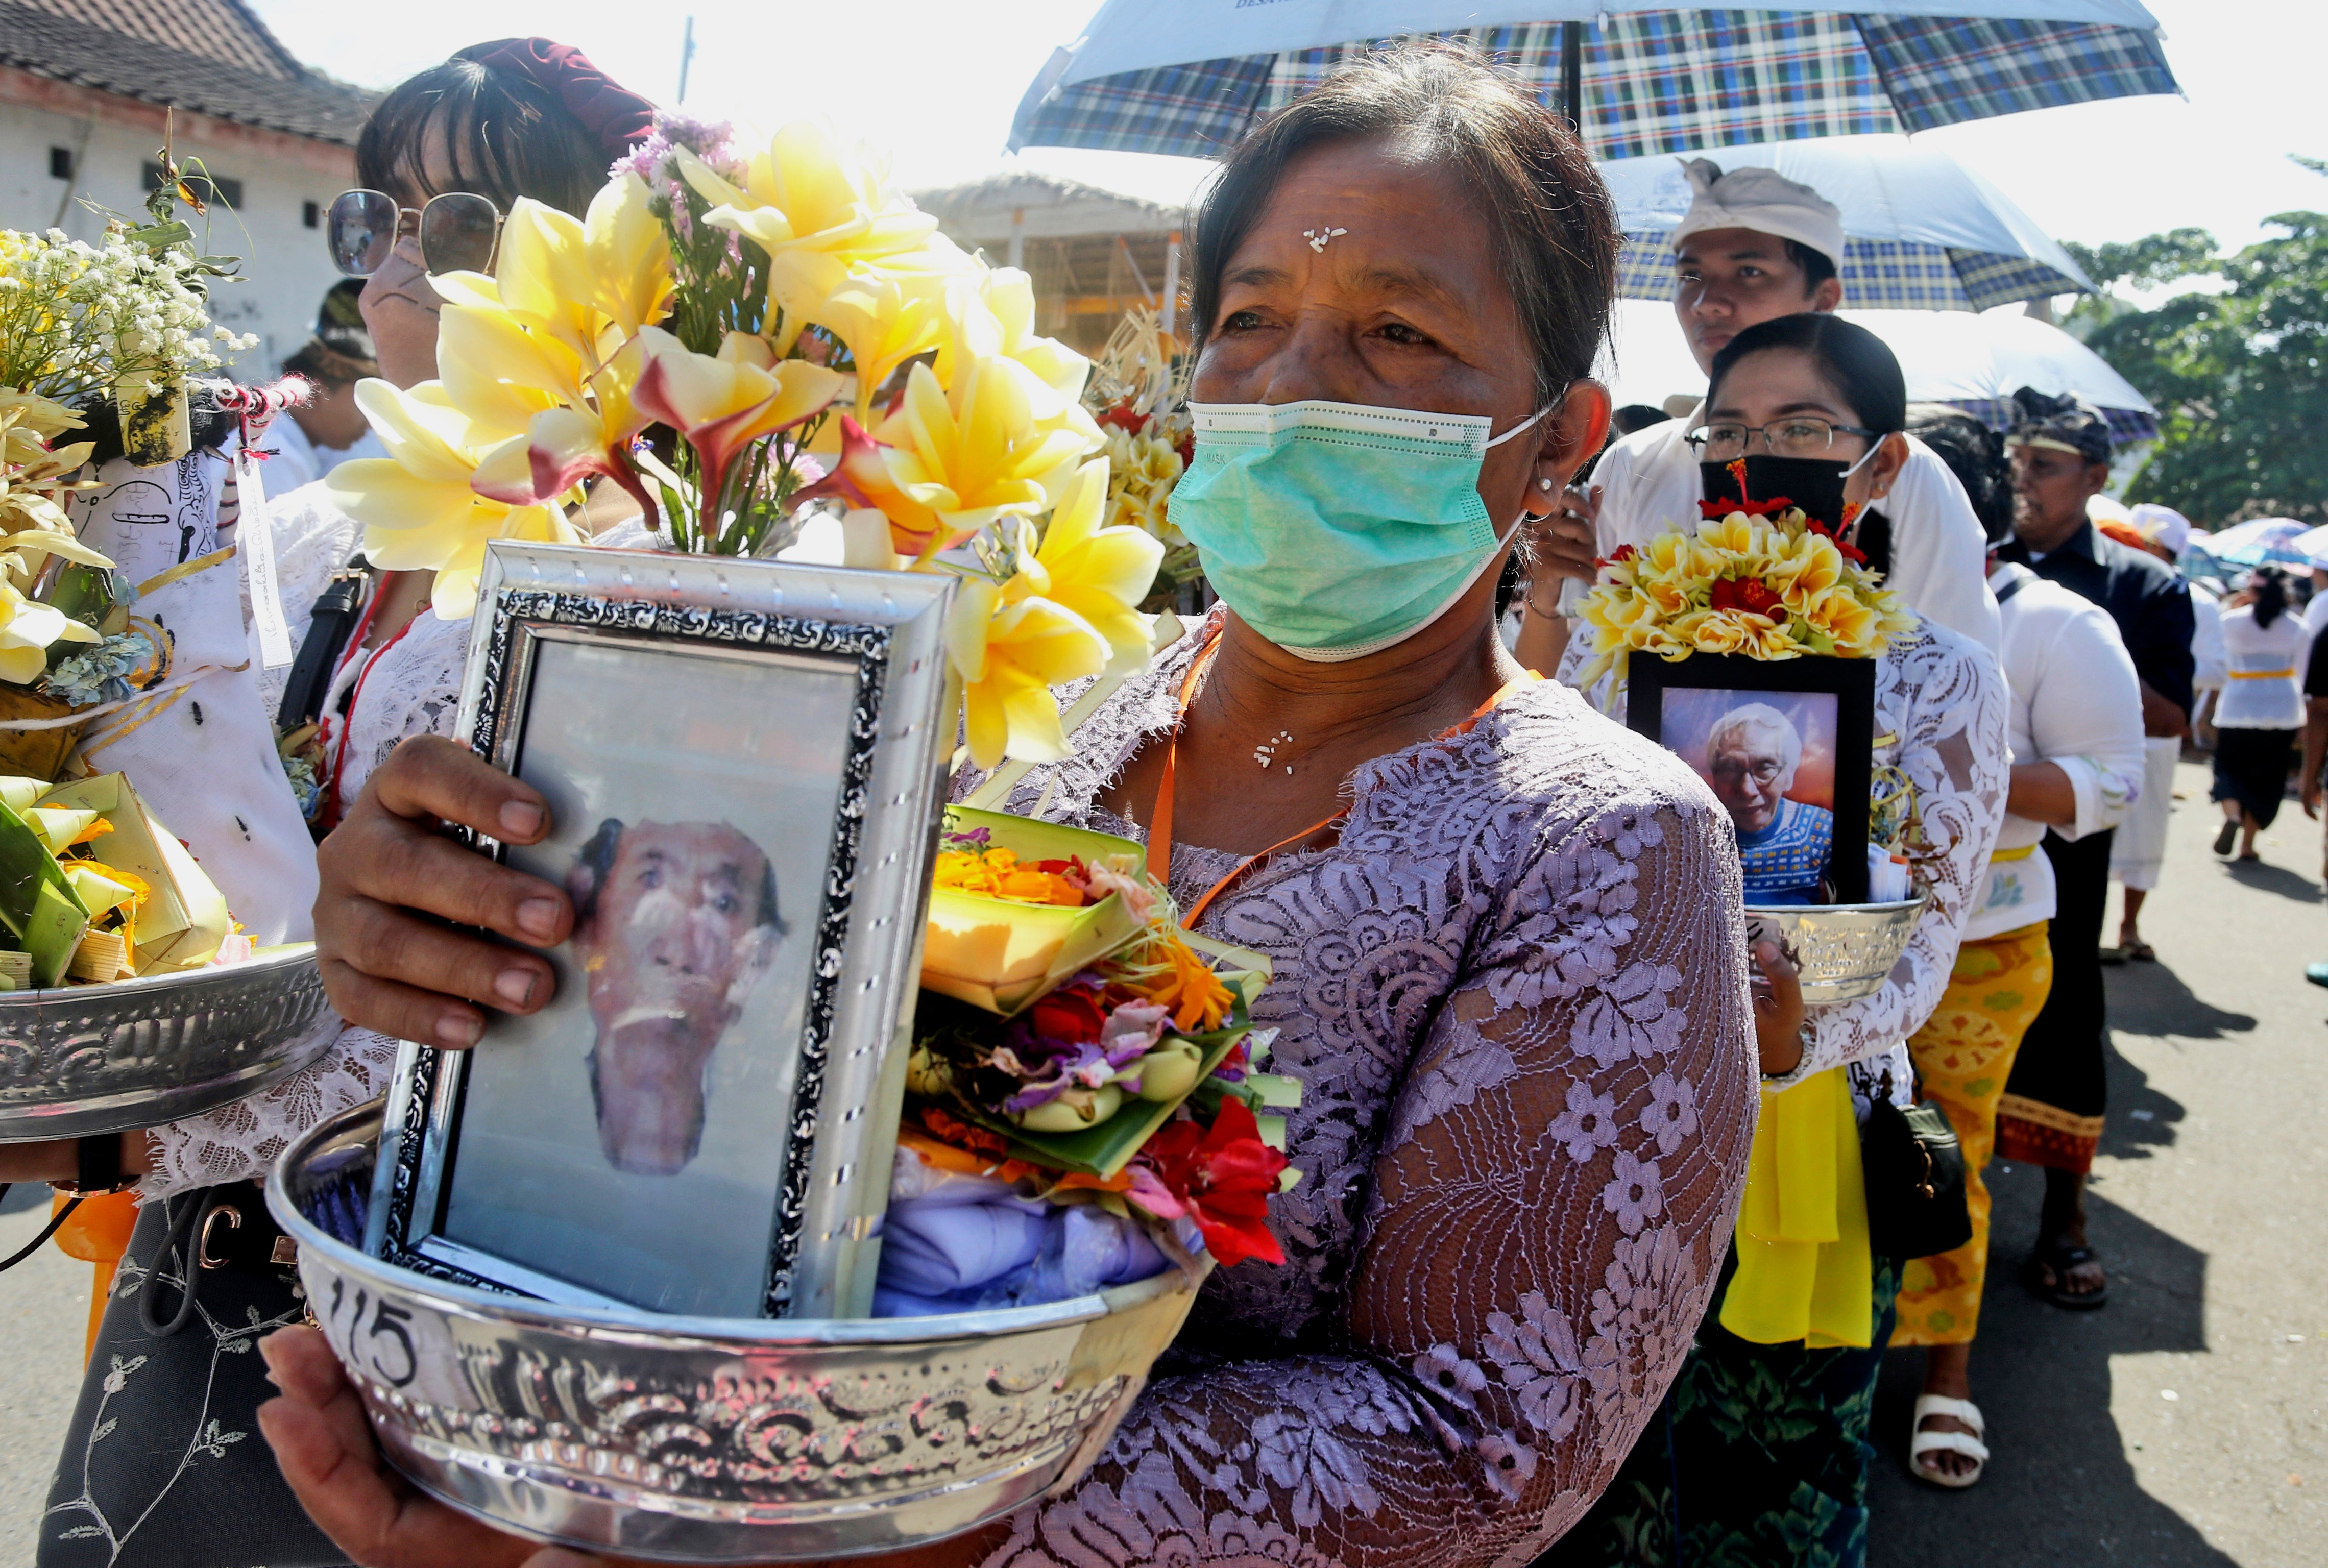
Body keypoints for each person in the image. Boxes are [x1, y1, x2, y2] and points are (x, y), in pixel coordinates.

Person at [256, 44, 1769, 1568]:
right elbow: (739, 1110)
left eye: (1396, 332)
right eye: (1248, 319)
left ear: (1560, 436)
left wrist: (810, 1524)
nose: (1292, 382)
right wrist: (466, 934)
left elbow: (1474, 1450)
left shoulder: (1603, 845)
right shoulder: (1008, 706)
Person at [13, 39, 659, 1568]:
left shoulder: (619, 587)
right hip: (200, 1272)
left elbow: (479, 1013)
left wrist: (102, 1134)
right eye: (373, 216)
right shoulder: (313, 541)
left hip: (433, 1313)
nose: (387, 270)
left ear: (608, 277)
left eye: (456, 225)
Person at [1547, 315, 2007, 1563]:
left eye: (1802, 430)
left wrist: (1796, 1033)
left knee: (1780, 1489)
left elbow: (1923, 945)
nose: (1761, 457)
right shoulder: (1619, 637)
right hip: (1615, 1113)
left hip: (1810, 1112)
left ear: (1880, 465)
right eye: (1731, 432)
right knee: (1597, 1478)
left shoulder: (1943, 677)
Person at [1886, 410, 2146, 1487]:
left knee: (1942, 1150)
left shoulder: (2054, 625)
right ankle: (1828, 1344)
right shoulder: (1833, 603)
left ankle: (1946, 1373)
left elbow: (2107, 784)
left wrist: (1959, 766)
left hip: (1985, 938)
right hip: (1839, 933)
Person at [1514, 158, 2000, 679]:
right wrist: (1551, 590)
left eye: (1750, 272)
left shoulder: (1903, 476)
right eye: (1690, 275)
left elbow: (1955, 687)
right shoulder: (1635, 466)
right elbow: (1575, 687)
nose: (1708, 303)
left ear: (1824, 298)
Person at [1993, 386, 2194, 1311]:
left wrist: (2082, 646)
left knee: (2070, 1020)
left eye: (2048, 466)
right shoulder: (1963, 564)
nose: (2026, 480)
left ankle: (2066, 1216)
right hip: (1967, 850)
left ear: (2098, 478)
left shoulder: (2142, 584)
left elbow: (2170, 719)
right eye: (2018, 463)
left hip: (2066, 849)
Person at [569, 817, 783, 1174]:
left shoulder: (768, 1148)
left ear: (756, 964)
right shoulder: (509, 1109)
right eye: (650, 881)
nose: (677, 952)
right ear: (590, 929)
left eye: (724, 902)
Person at [2108, 503, 2217, 960]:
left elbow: (2209, 671)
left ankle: (2129, 926)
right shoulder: (2109, 580)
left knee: (2143, 833)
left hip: (2153, 736)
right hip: (2103, 733)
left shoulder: (2188, 597)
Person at [2208, 567, 2309, 861]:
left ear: (2252, 591)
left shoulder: (2231, 621)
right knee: (2268, 775)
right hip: (2282, 709)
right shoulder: (2296, 627)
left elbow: (2216, 657)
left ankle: (2232, 814)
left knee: (2227, 766)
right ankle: (2248, 844)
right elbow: (2302, 676)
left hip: (2238, 705)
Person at [260, 279, 386, 489]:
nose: (370, 424)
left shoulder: (286, 448)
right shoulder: (275, 455)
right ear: (315, 395)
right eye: (364, 404)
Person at [1704, 702, 1834, 904]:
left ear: (1789, 775)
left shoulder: (1821, 831)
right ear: (1714, 777)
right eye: (1730, 768)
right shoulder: (1696, 835)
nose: (1747, 790)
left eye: (1765, 768)